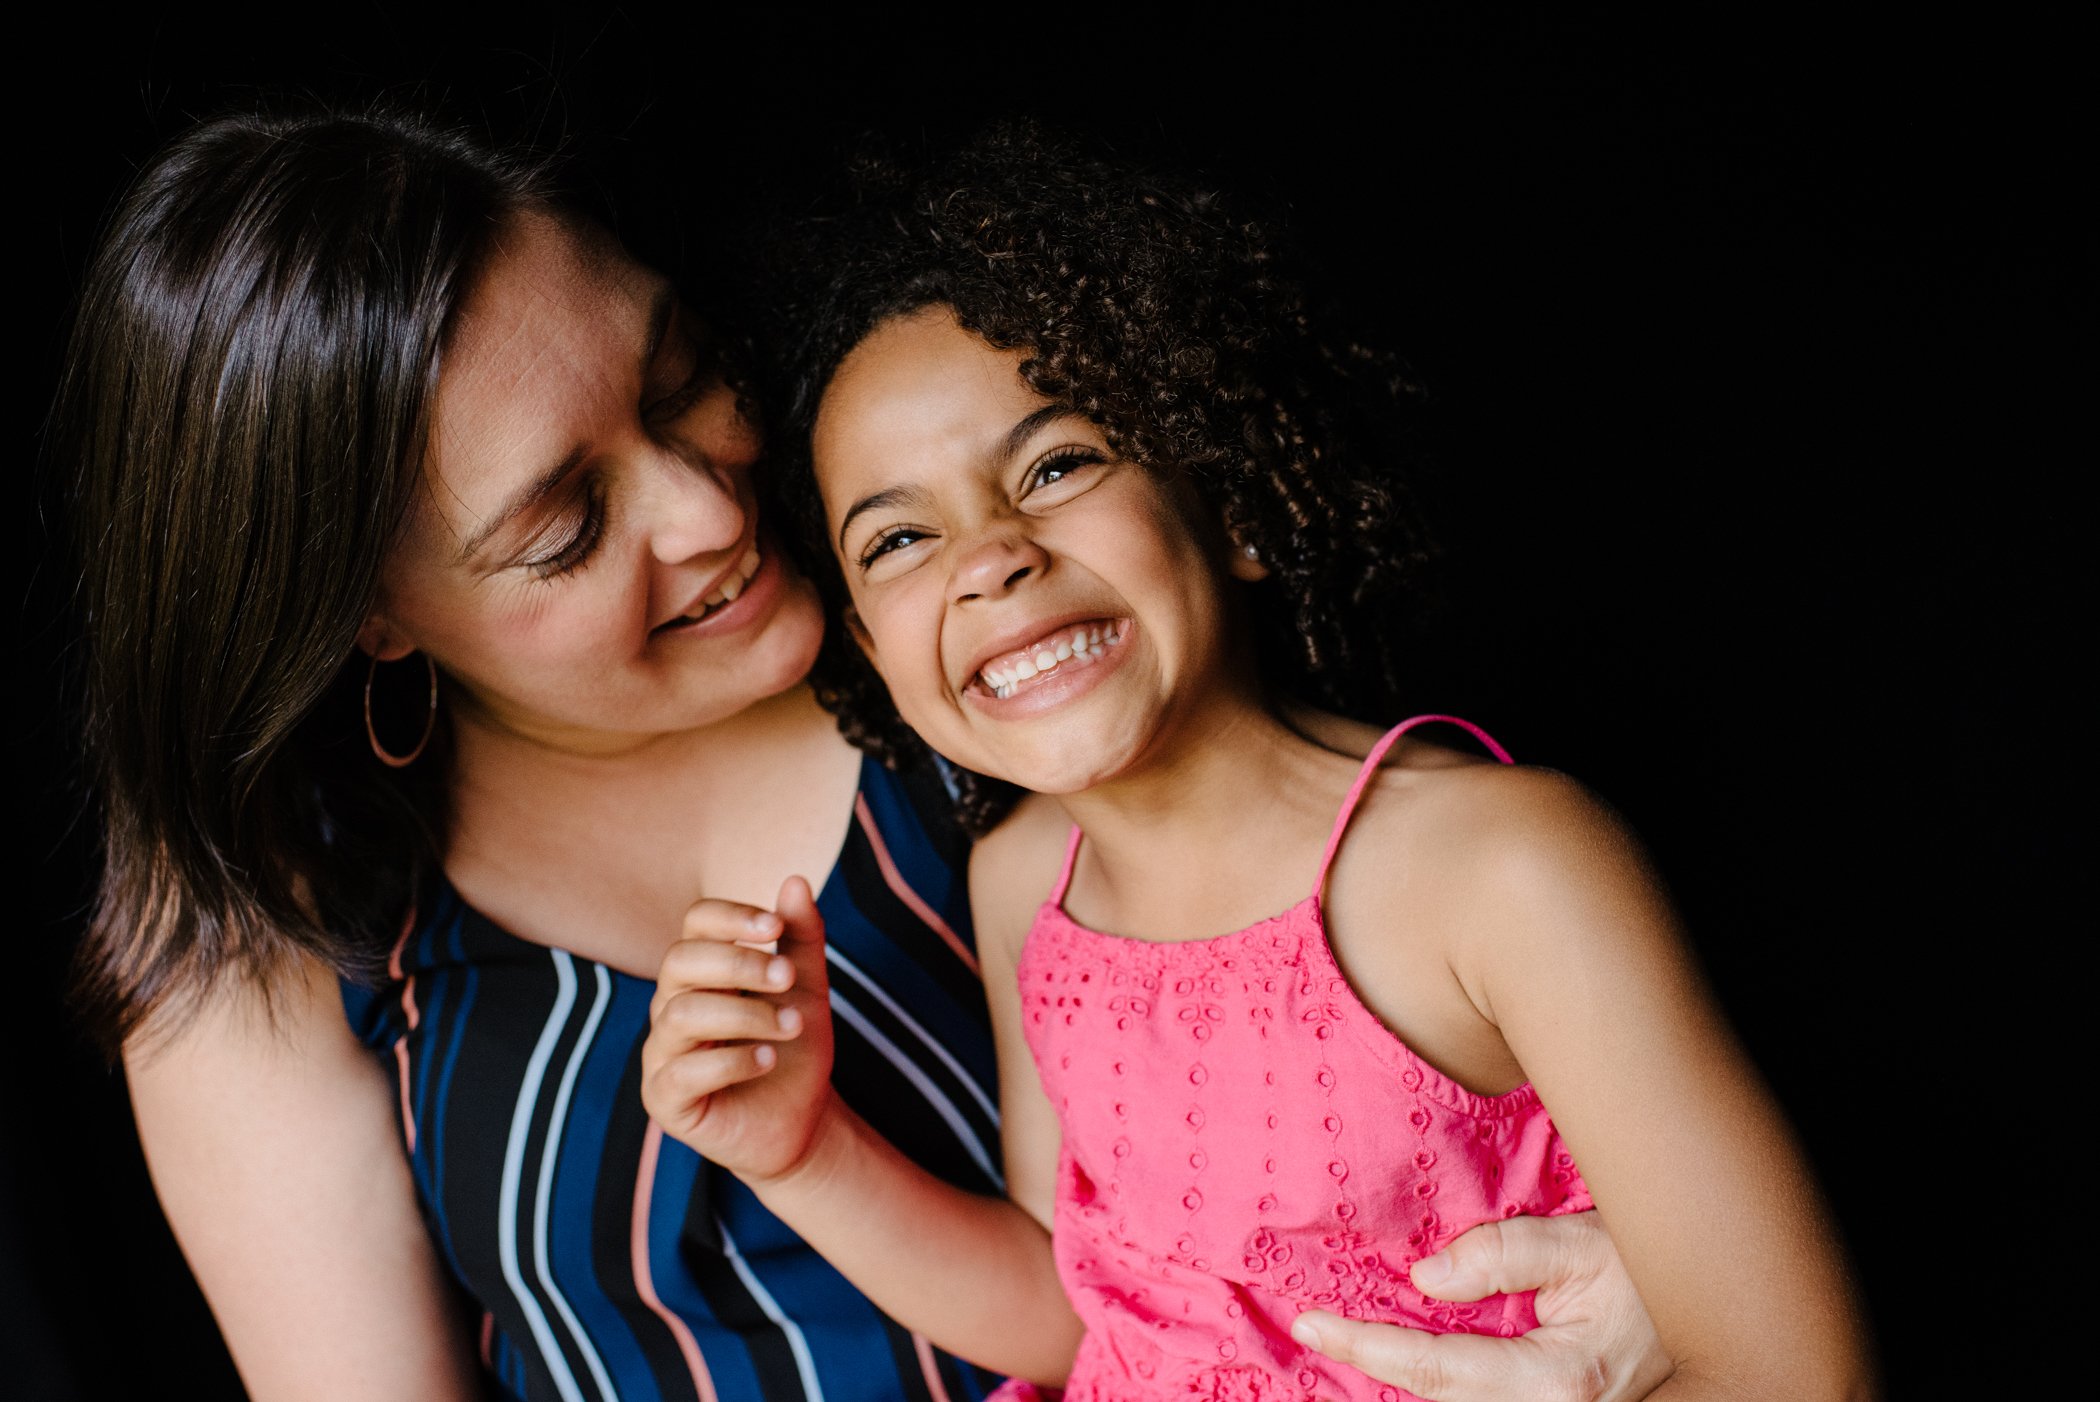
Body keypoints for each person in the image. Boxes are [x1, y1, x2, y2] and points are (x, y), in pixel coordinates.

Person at [58, 102, 1668, 1400]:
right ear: (368, 619)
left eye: (679, 378)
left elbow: (1440, 1067)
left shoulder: (992, 640)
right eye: (564, 528)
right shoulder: (290, 929)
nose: (707, 508)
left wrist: (1660, 1305)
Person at [641, 129, 1876, 1399]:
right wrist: (800, 1151)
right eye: (898, 537)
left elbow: (1798, 1371)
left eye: (1059, 464)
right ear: (872, 650)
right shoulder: (1026, 883)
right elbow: (1085, 1324)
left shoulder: (1499, 868)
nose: (988, 555)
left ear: (1229, 504)